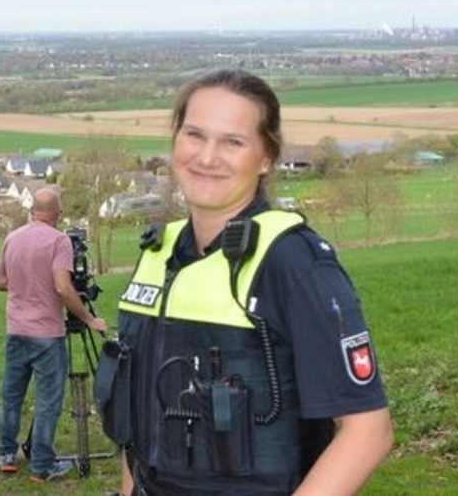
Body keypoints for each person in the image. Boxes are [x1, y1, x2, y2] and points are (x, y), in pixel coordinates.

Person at [95, 69, 393, 496]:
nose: (207, 157)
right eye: (194, 134)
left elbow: (368, 432)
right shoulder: (157, 255)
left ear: (267, 156)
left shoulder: (293, 261)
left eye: (232, 142)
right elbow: (140, 435)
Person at [0, 188, 107, 482]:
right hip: (46, 333)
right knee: (48, 401)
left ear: (32, 211)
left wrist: (27, 284)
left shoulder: (12, 237)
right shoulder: (59, 241)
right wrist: (89, 318)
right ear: (56, 213)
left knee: (11, 395)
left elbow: (1, 281)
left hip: (15, 329)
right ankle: (42, 466)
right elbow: (62, 287)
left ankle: (6, 454)